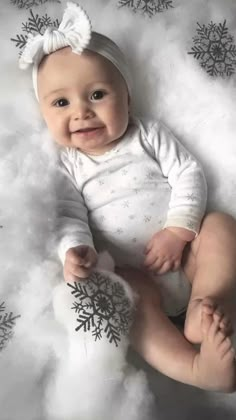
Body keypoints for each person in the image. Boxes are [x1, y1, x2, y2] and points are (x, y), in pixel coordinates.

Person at [20, 2, 236, 392]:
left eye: (98, 94)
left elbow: (188, 173)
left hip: (186, 253)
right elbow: (69, 216)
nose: (82, 112)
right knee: (121, 299)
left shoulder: (147, 134)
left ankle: (208, 300)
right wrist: (75, 250)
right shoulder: (67, 166)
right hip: (136, 275)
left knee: (219, 226)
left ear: (128, 98)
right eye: (61, 102)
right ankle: (195, 367)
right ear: (44, 114)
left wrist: (179, 231)